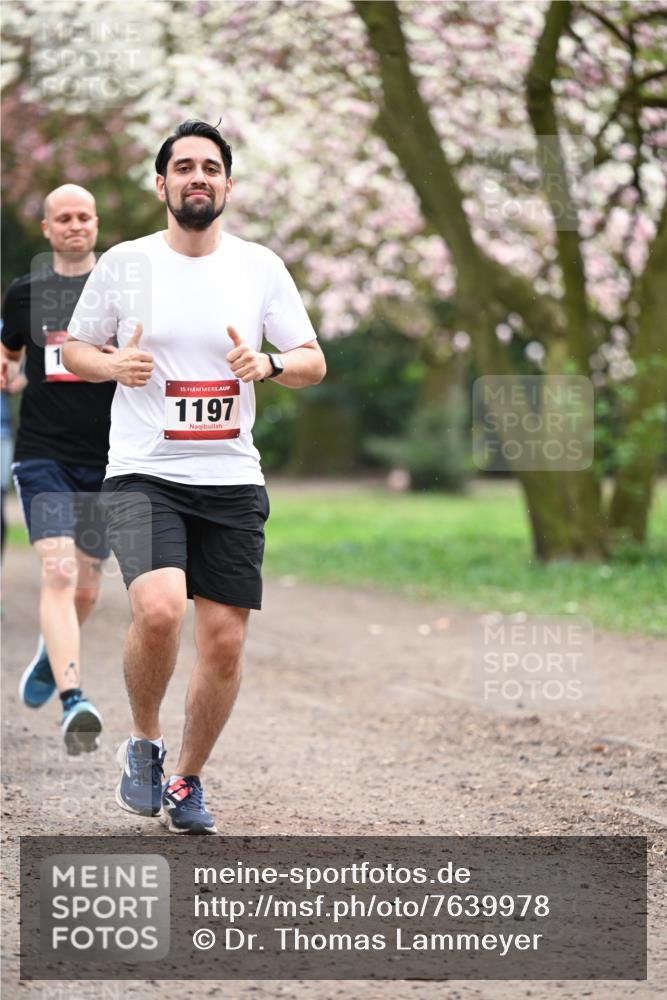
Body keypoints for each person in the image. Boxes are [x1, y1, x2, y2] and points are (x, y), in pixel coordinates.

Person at [63, 120, 326, 834]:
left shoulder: (259, 267)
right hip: (145, 471)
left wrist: (267, 365)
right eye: (183, 166)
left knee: (225, 642)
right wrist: (115, 365)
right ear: (162, 184)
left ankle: (186, 780)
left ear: (229, 186)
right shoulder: (125, 264)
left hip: (231, 477)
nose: (197, 176)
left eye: (210, 167)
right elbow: (79, 349)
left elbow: (310, 358)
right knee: (159, 611)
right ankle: (143, 744)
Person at [1, 185, 116, 754]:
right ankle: (75, 700)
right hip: (43, 454)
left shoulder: (121, 289)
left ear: (96, 223)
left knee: (88, 591)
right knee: (60, 574)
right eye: (63, 218)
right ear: (46, 229)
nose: (75, 225)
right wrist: (8, 365)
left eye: (83, 216)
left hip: (110, 460)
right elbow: (12, 351)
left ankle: (54, 652)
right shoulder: (25, 293)